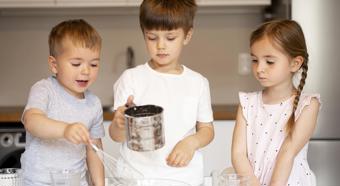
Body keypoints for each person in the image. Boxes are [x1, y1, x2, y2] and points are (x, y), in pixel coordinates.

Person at [109, 0, 214, 185]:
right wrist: (119, 124)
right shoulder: (131, 78)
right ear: (144, 35)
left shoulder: (198, 82)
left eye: (170, 38)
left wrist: (191, 143)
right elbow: (116, 136)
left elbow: (207, 130)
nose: (161, 46)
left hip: (182, 178)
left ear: (187, 35)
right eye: (152, 38)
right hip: (135, 178)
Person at [231, 19, 321, 186]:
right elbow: (238, 154)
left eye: (269, 62)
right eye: (255, 60)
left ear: (295, 63)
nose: (259, 68)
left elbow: (288, 151)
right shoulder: (247, 103)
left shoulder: (307, 105)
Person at [20, 19, 105, 186]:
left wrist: (100, 184)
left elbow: (94, 150)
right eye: (76, 63)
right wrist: (65, 129)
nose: (86, 71)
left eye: (93, 64)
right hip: (38, 182)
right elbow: (32, 121)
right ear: (54, 64)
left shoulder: (94, 104)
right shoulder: (44, 90)